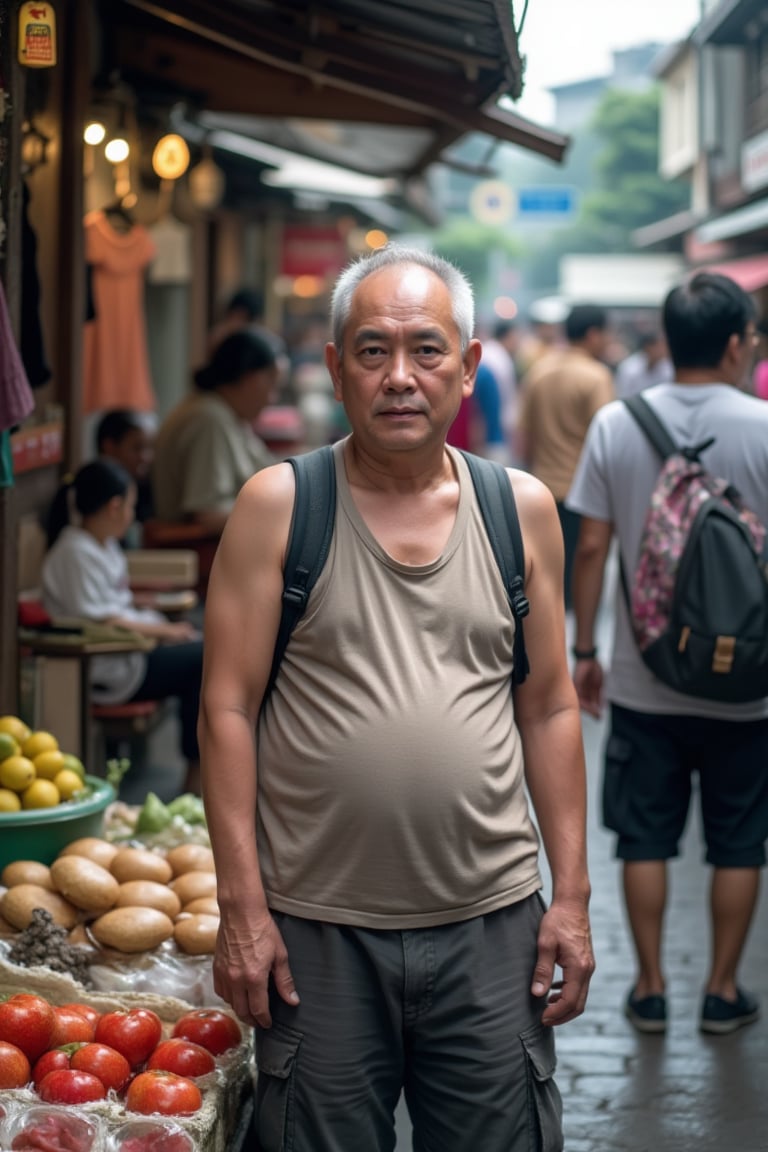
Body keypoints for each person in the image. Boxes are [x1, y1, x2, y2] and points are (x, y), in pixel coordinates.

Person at [198, 245, 594, 1151]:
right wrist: (242, 911)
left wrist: (568, 900)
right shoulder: (280, 506)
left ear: (469, 366)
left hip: (492, 928)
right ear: (336, 369)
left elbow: (550, 708)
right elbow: (226, 708)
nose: (401, 377)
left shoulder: (519, 510)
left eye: (427, 350)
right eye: (373, 351)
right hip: (315, 937)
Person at [566, 272, 768, 1035]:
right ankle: (721, 991)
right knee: (738, 840)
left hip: (644, 675)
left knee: (644, 836)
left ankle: (648, 988)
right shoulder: (764, 424)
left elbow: (591, 545)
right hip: (748, 681)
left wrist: (586, 646)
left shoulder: (618, 423)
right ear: (733, 343)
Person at [41, 459, 204, 794]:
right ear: (115, 507)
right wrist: (167, 632)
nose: (131, 514)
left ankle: (199, 773)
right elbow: (103, 617)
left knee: (203, 652)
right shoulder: (74, 552)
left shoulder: (100, 544)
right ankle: (195, 778)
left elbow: (115, 601)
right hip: (111, 665)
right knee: (204, 661)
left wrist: (152, 608)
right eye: (130, 506)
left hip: (131, 652)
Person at [517, 303, 614, 609]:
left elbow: (525, 435)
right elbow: (605, 440)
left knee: (548, 576)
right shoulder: (596, 376)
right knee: (580, 571)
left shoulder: (539, 372)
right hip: (583, 491)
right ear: (593, 334)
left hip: (543, 488)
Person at [152, 330, 280, 535]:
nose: (272, 398)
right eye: (271, 383)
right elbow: (209, 513)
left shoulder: (227, 414)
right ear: (248, 378)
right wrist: (280, 513)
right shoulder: (209, 418)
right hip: (200, 552)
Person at [95, 409, 156, 539]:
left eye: (149, 448)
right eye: (137, 448)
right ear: (109, 447)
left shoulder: (144, 486)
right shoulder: (91, 492)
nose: (146, 457)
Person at [614, 328, 672, 399]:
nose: (664, 349)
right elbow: (623, 396)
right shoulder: (629, 368)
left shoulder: (668, 367)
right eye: (660, 345)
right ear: (648, 347)